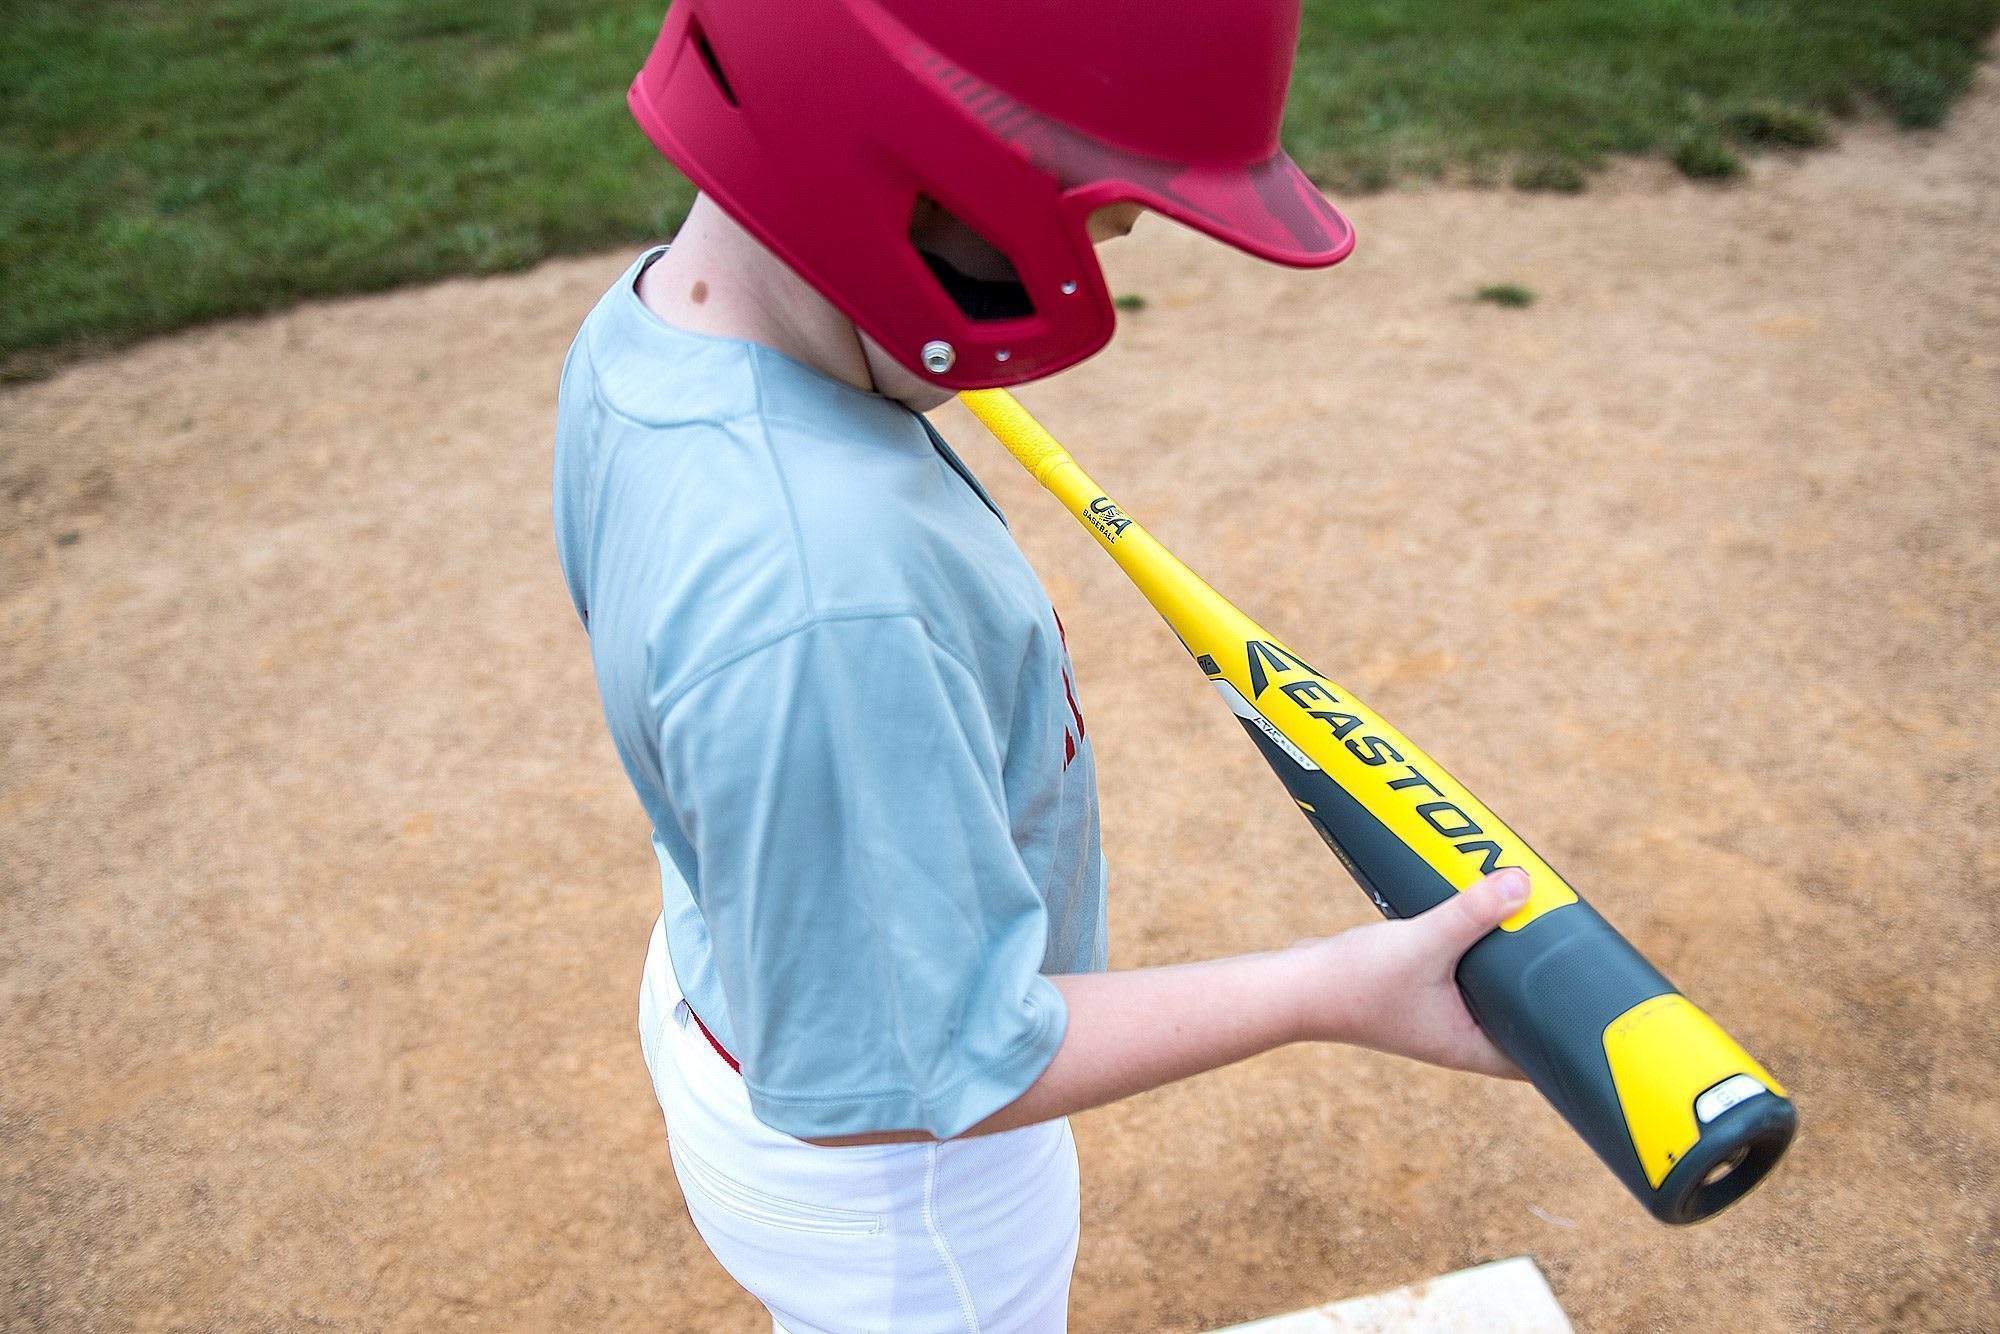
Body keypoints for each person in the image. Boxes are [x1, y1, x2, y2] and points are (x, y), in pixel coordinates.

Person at [552, 3, 1530, 1329]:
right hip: (914, 1189)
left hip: (729, 988)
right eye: (1083, 231)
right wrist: (1328, 990)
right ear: (904, 180)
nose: (1087, 273)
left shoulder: (661, 325)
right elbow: (935, 1058)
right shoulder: (823, 591)